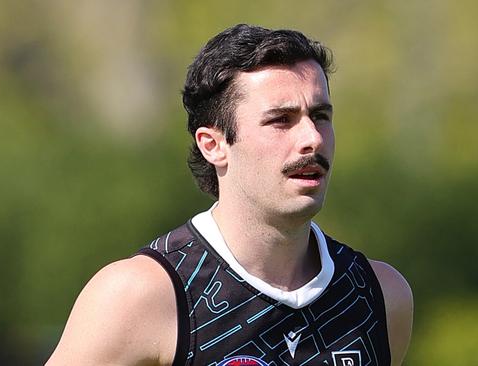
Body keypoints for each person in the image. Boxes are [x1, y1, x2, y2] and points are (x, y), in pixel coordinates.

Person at [46, 24, 413, 366]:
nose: (312, 139)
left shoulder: (381, 296)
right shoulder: (141, 296)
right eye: (280, 120)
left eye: (320, 116)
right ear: (214, 145)